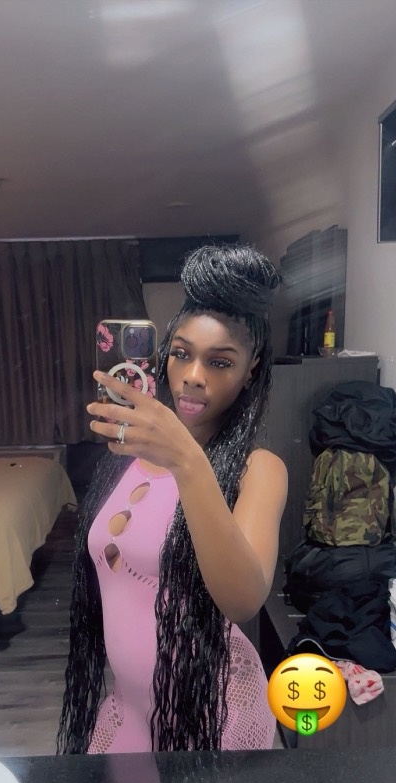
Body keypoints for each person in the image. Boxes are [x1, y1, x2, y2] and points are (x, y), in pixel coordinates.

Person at [56, 243, 288, 755]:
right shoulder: (127, 453)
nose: (194, 375)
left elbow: (243, 600)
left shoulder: (258, 469)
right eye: (181, 353)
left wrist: (187, 461)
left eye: (220, 361)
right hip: (129, 710)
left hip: (213, 715)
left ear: (250, 370)